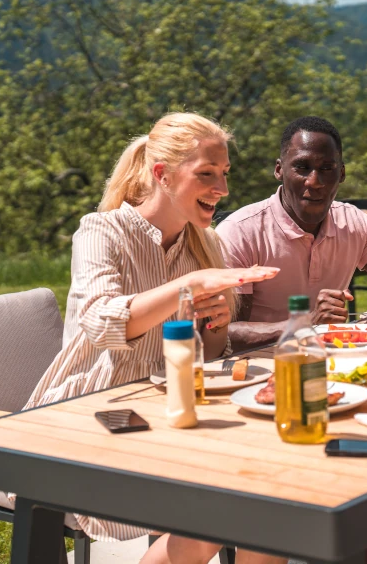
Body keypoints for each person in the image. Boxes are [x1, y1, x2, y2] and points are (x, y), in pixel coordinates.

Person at [22, 112, 282, 564]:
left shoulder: (204, 243)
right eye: (206, 174)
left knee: (274, 502)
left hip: (169, 410)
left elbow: (210, 354)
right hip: (94, 416)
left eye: (224, 174)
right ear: (162, 174)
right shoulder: (102, 231)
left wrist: (215, 325)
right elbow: (101, 322)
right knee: (228, 512)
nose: (221, 189)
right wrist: (191, 286)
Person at [216, 116, 367, 350]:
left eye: (326, 169)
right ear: (279, 170)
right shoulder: (240, 232)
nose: (314, 181)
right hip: (261, 372)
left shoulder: (353, 223)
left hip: (335, 363)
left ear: (341, 174)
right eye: (302, 167)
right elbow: (222, 334)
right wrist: (305, 322)